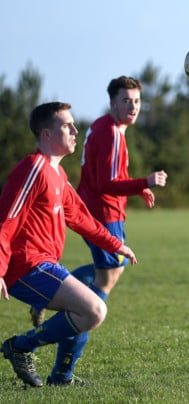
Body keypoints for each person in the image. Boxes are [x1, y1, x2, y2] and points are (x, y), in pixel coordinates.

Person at [28, 76, 168, 381]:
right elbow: (106, 183)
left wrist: (137, 187)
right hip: (102, 214)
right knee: (101, 288)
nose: (133, 107)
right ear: (112, 103)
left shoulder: (108, 127)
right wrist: (144, 181)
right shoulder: (110, 131)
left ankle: (53, 301)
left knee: (111, 272)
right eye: (126, 101)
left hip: (101, 210)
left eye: (137, 101)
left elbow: (109, 175)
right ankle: (61, 368)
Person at [0, 102, 138, 387]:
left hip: (45, 263)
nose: (76, 130)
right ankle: (21, 347)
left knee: (82, 309)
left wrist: (115, 244)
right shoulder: (33, 168)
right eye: (67, 125)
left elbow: (79, 217)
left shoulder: (57, 174)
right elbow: (6, 221)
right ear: (46, 133)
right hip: (25, 266)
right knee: (93, 310)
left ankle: (62, 377)